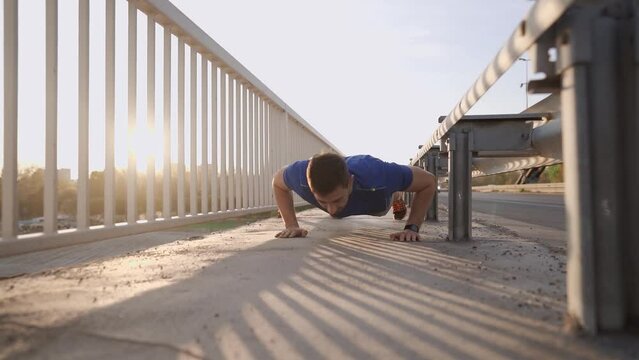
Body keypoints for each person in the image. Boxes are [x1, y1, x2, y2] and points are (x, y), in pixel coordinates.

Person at [272, 152, 436, 241]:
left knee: (386, 201)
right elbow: (277, 183)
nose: (331, 209)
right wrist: (291, 225)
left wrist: (412, 228)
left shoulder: (377, 173)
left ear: (350, 183)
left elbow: (428, 181)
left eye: (336, 200)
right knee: (337, 213)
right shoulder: (300, 176)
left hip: (376, 201)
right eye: (322, 201)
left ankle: (397, 196)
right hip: (357, 192)